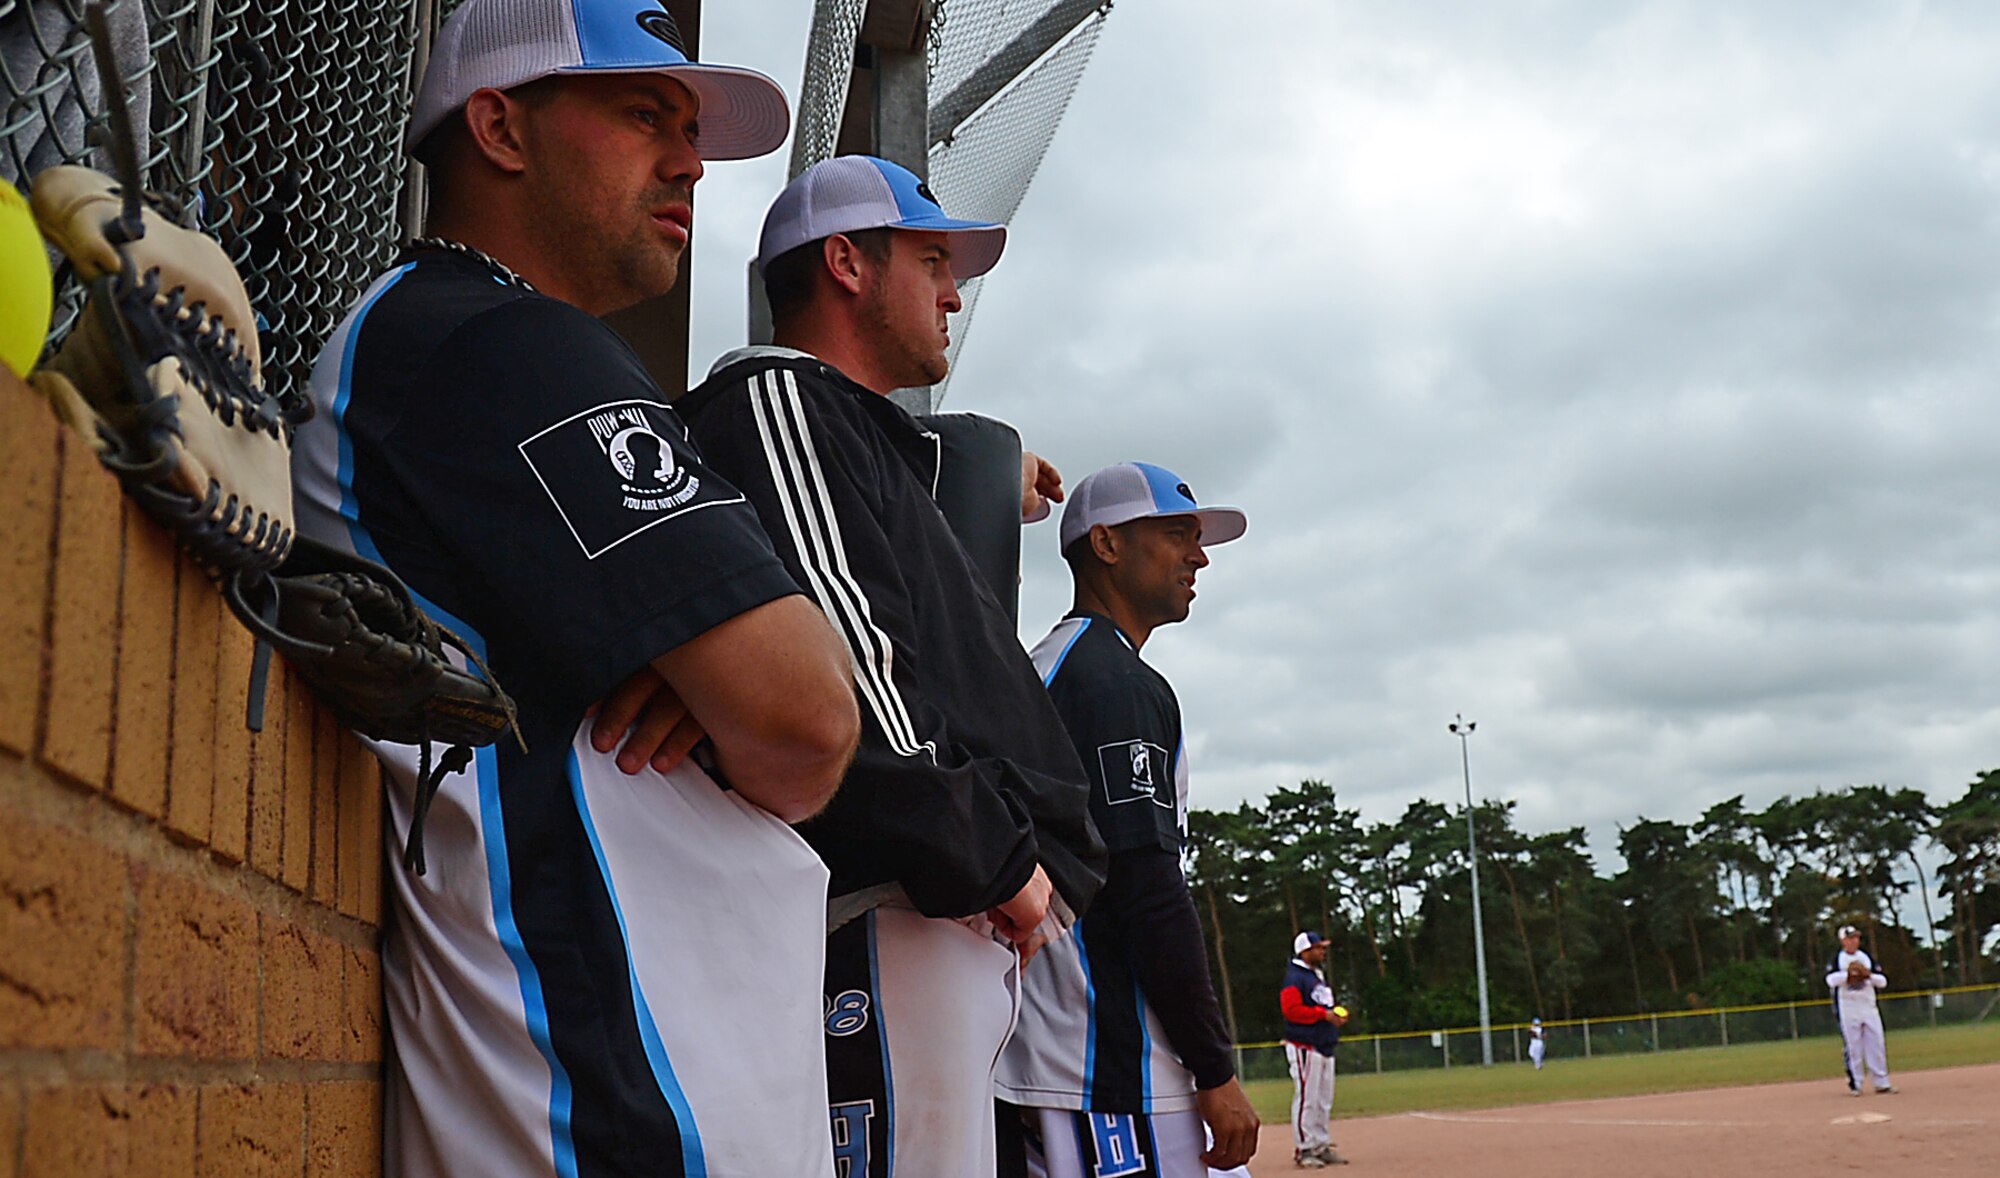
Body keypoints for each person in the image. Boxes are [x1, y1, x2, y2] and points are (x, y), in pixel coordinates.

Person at [288, 2, 863, 1174]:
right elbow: (810, 721)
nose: (691, 160)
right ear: (498, 127)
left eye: (689, 126)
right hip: (621, 1099)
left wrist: (712, 665)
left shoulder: (462, 339)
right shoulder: (492, 342)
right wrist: (721, 664)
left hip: (639, 1070)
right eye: (643, 115)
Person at [676, 153, 1107, 1178]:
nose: (953, 289)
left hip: (949, 905)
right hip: (897, 903)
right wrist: (1000, 864)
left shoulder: (857, 432)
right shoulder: (775, 396)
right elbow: (847, 668)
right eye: (929, 259)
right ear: (844, 264)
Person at [990, 462, 1255, 1178]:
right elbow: (1142, 884)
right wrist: (1214, 1068)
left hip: (1045, 1050)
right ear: (1105, 546)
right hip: (1101, 1064)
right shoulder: (1112, 684)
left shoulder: (1047, 666)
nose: (1198, 556)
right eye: (1176, 535)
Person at [1280, 932, 1349, 1168]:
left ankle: (1321, 1144)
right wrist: (1323, 1015)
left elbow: (1321, 1007)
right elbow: (1291, 1010)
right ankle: (1304, 1148)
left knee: (1323, 1099)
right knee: (1307, 1098)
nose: (1322, 951)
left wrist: (1333, 1016)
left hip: (1323, 1044)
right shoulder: (1295, 978)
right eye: (1318, 948)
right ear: (1305, 951)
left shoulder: (1315, 976)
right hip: (1304, 1045)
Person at [1827, 924, 1896, 1096]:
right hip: (1848, 1008)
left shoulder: (1866, 958)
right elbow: (1830, 979)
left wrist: (1868, 975)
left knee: (1877, 1044)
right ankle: (1855, 1084)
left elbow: (1883, 981)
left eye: (1856, 937)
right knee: (1853, 1047)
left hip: (1868, 1007)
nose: (1854, 941)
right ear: (1843, 940)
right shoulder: (1838, 959)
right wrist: (1848, 976)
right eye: (1850, 938)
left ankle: (1882, 1082)